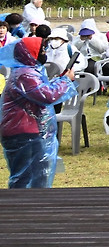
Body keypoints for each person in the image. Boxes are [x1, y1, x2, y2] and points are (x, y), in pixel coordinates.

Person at [1, 37, 74, 188]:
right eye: (41, 50)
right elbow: (46, 95)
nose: (45, 53)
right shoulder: (25, 75)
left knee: (36, 176)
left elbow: (40, 91)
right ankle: (26, 203)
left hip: (27, 130)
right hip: (24, 133)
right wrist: (65, 81)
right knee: (27, 178)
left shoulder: (28, 72)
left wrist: (59, 80)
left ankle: (33, 201)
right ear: (30, 53)